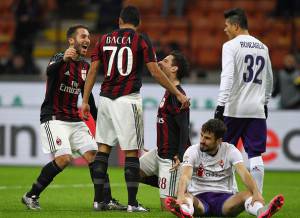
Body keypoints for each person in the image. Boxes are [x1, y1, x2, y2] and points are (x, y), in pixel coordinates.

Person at [81, 5, 190, 212]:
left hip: (105, 98)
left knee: (103, 149)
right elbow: (155, 72)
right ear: (138, 23)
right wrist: (177, 93)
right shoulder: (141, 40)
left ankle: (98, 201)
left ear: (120, 21)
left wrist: (85, 100)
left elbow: (93, 70)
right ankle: (132, 203)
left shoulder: (104, 39)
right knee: (131, 153)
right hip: (127, 99)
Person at [21, 24, 124, 211]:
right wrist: (63, 60)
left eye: (88, 36)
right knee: (64, 158)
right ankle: (31, 195)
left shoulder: (85, 67)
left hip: (74, 119)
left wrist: (99, 121)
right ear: (71, 40)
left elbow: (88, 97)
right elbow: (50, 72)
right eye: (83, 36)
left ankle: (104, 200)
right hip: (54, 117)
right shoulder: (59, 58)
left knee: (95, 157)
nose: (87, 39)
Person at [165, 119, 284, 218]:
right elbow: (185, 176)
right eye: (201, 135)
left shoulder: (230, 150)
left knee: (248, 194)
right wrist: (180, 195)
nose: (202, 141)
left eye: (207, 138)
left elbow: (244, 174)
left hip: (225, 201)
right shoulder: (192, 151)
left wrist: (257, 193)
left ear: (219, 140)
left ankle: (262, 212)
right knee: (186, 196)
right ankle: (184, 211)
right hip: (199, 199)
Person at [214, 8, 273, 194]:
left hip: (234, 108)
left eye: (227, 26)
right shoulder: (263, 47)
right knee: (255, 154)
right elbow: (269, 78)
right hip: (256, 109)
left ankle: (226, 194)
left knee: (224, 152)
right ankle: (258, 197)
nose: (225, 30)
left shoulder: (230, 46)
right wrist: (265, 102)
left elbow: (228, 77)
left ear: (236, 25)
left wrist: (221, 105)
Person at [139, 51, 191, 210]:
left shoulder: (178, 95)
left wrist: (180, 155)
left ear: (174, 69)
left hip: (170, 157)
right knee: (133, 170)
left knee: (166, 209)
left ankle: (176, 188)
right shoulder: (169, 90)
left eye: (166, 61)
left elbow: (184, 128)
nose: (161, 62)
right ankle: (171, 187)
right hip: (159, 152)